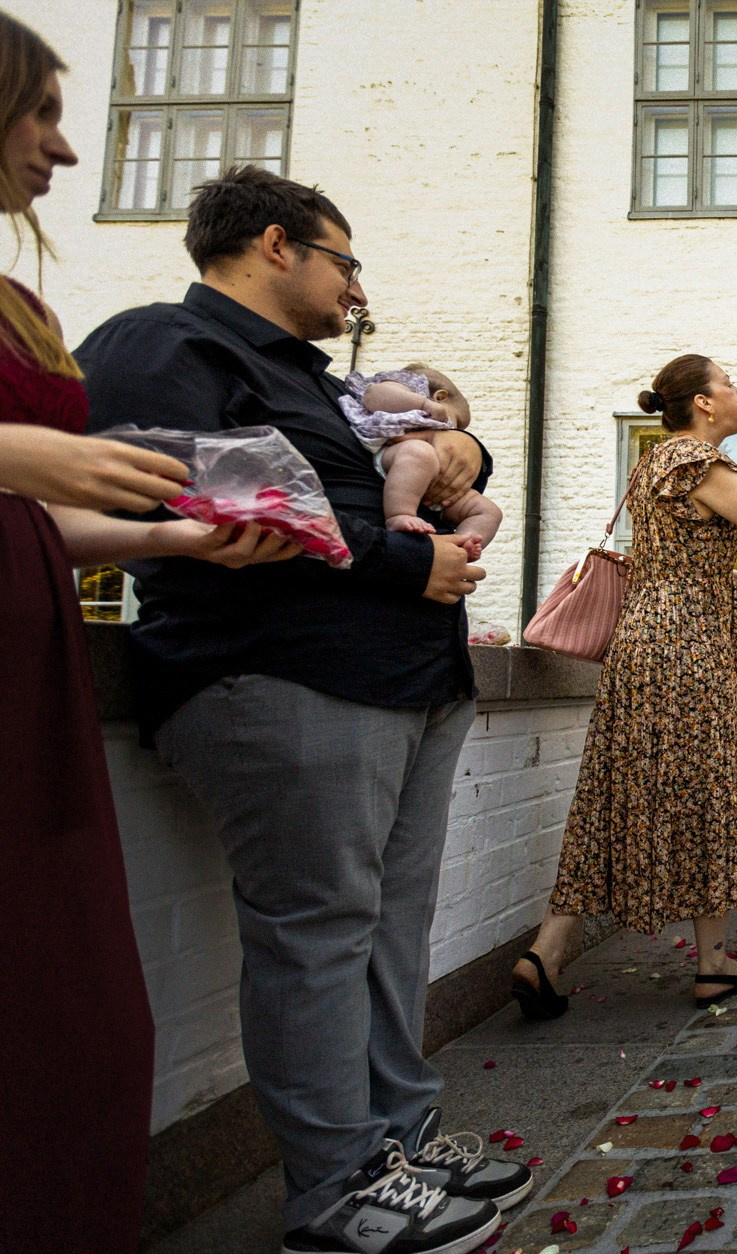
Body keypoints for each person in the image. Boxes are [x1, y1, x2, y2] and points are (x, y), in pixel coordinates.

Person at [78, 162, 526, 1251]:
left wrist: (467, 451)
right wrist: (394, 568)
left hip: (408, 683)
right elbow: (207, 497)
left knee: (385, 930)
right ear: (276, 245)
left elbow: (432, 457)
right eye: (345, 260)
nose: (356, 289)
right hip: (286, 675)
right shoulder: (163, 345)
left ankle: (401, 1145)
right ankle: (336, 1191)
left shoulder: (325, 379)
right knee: (318, 931)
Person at [0, 26, 302, 1249]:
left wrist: (174, 542)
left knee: (69, 1020)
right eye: (36, 113)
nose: (66, 145)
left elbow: (39, 517)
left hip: (29, 651)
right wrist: (26, 455)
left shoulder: (18, 305)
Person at [517, 356, 737, 1016]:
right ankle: (711, 962)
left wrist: (731, 580)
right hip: (689, 650)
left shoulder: (654, 462)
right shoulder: (703, 465)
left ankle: (546, 954)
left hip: (639, 643)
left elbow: (670, 557)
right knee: (708, 790)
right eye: (728, 384)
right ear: (704, 403)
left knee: (615, 793)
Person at [337, 364, 502, 558]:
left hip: (434, 488)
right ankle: (400, 514)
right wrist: (423, 404)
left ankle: (461, 546)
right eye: (457, 422)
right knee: (420, 452)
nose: (457, 431)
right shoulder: (406, 388)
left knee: (489, 511)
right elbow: (373, 396)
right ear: (440, 397)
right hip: (398, 460)